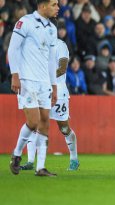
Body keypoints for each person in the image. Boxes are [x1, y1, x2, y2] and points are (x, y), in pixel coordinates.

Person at [8, 0, 59, 177]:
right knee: (33, 121)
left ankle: (41, 167)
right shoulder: (25, 22)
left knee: (45, 122)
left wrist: (54, 85)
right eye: (54, 4)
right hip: (27, 79)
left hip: (44, 81)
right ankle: (16, 154)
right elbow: (13, 49)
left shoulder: (52, 29)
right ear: (43, 6)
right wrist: (15, 74)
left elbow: (52, 59)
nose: (57, 8)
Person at [20, 39, 80, 171]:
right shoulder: (38, 44)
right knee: (33, 123)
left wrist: (46, 78)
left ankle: (74, 159)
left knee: (64, 128)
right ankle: (30, 161)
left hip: (58, 91)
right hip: (40, 90)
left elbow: (63, 68)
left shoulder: (61, 45)